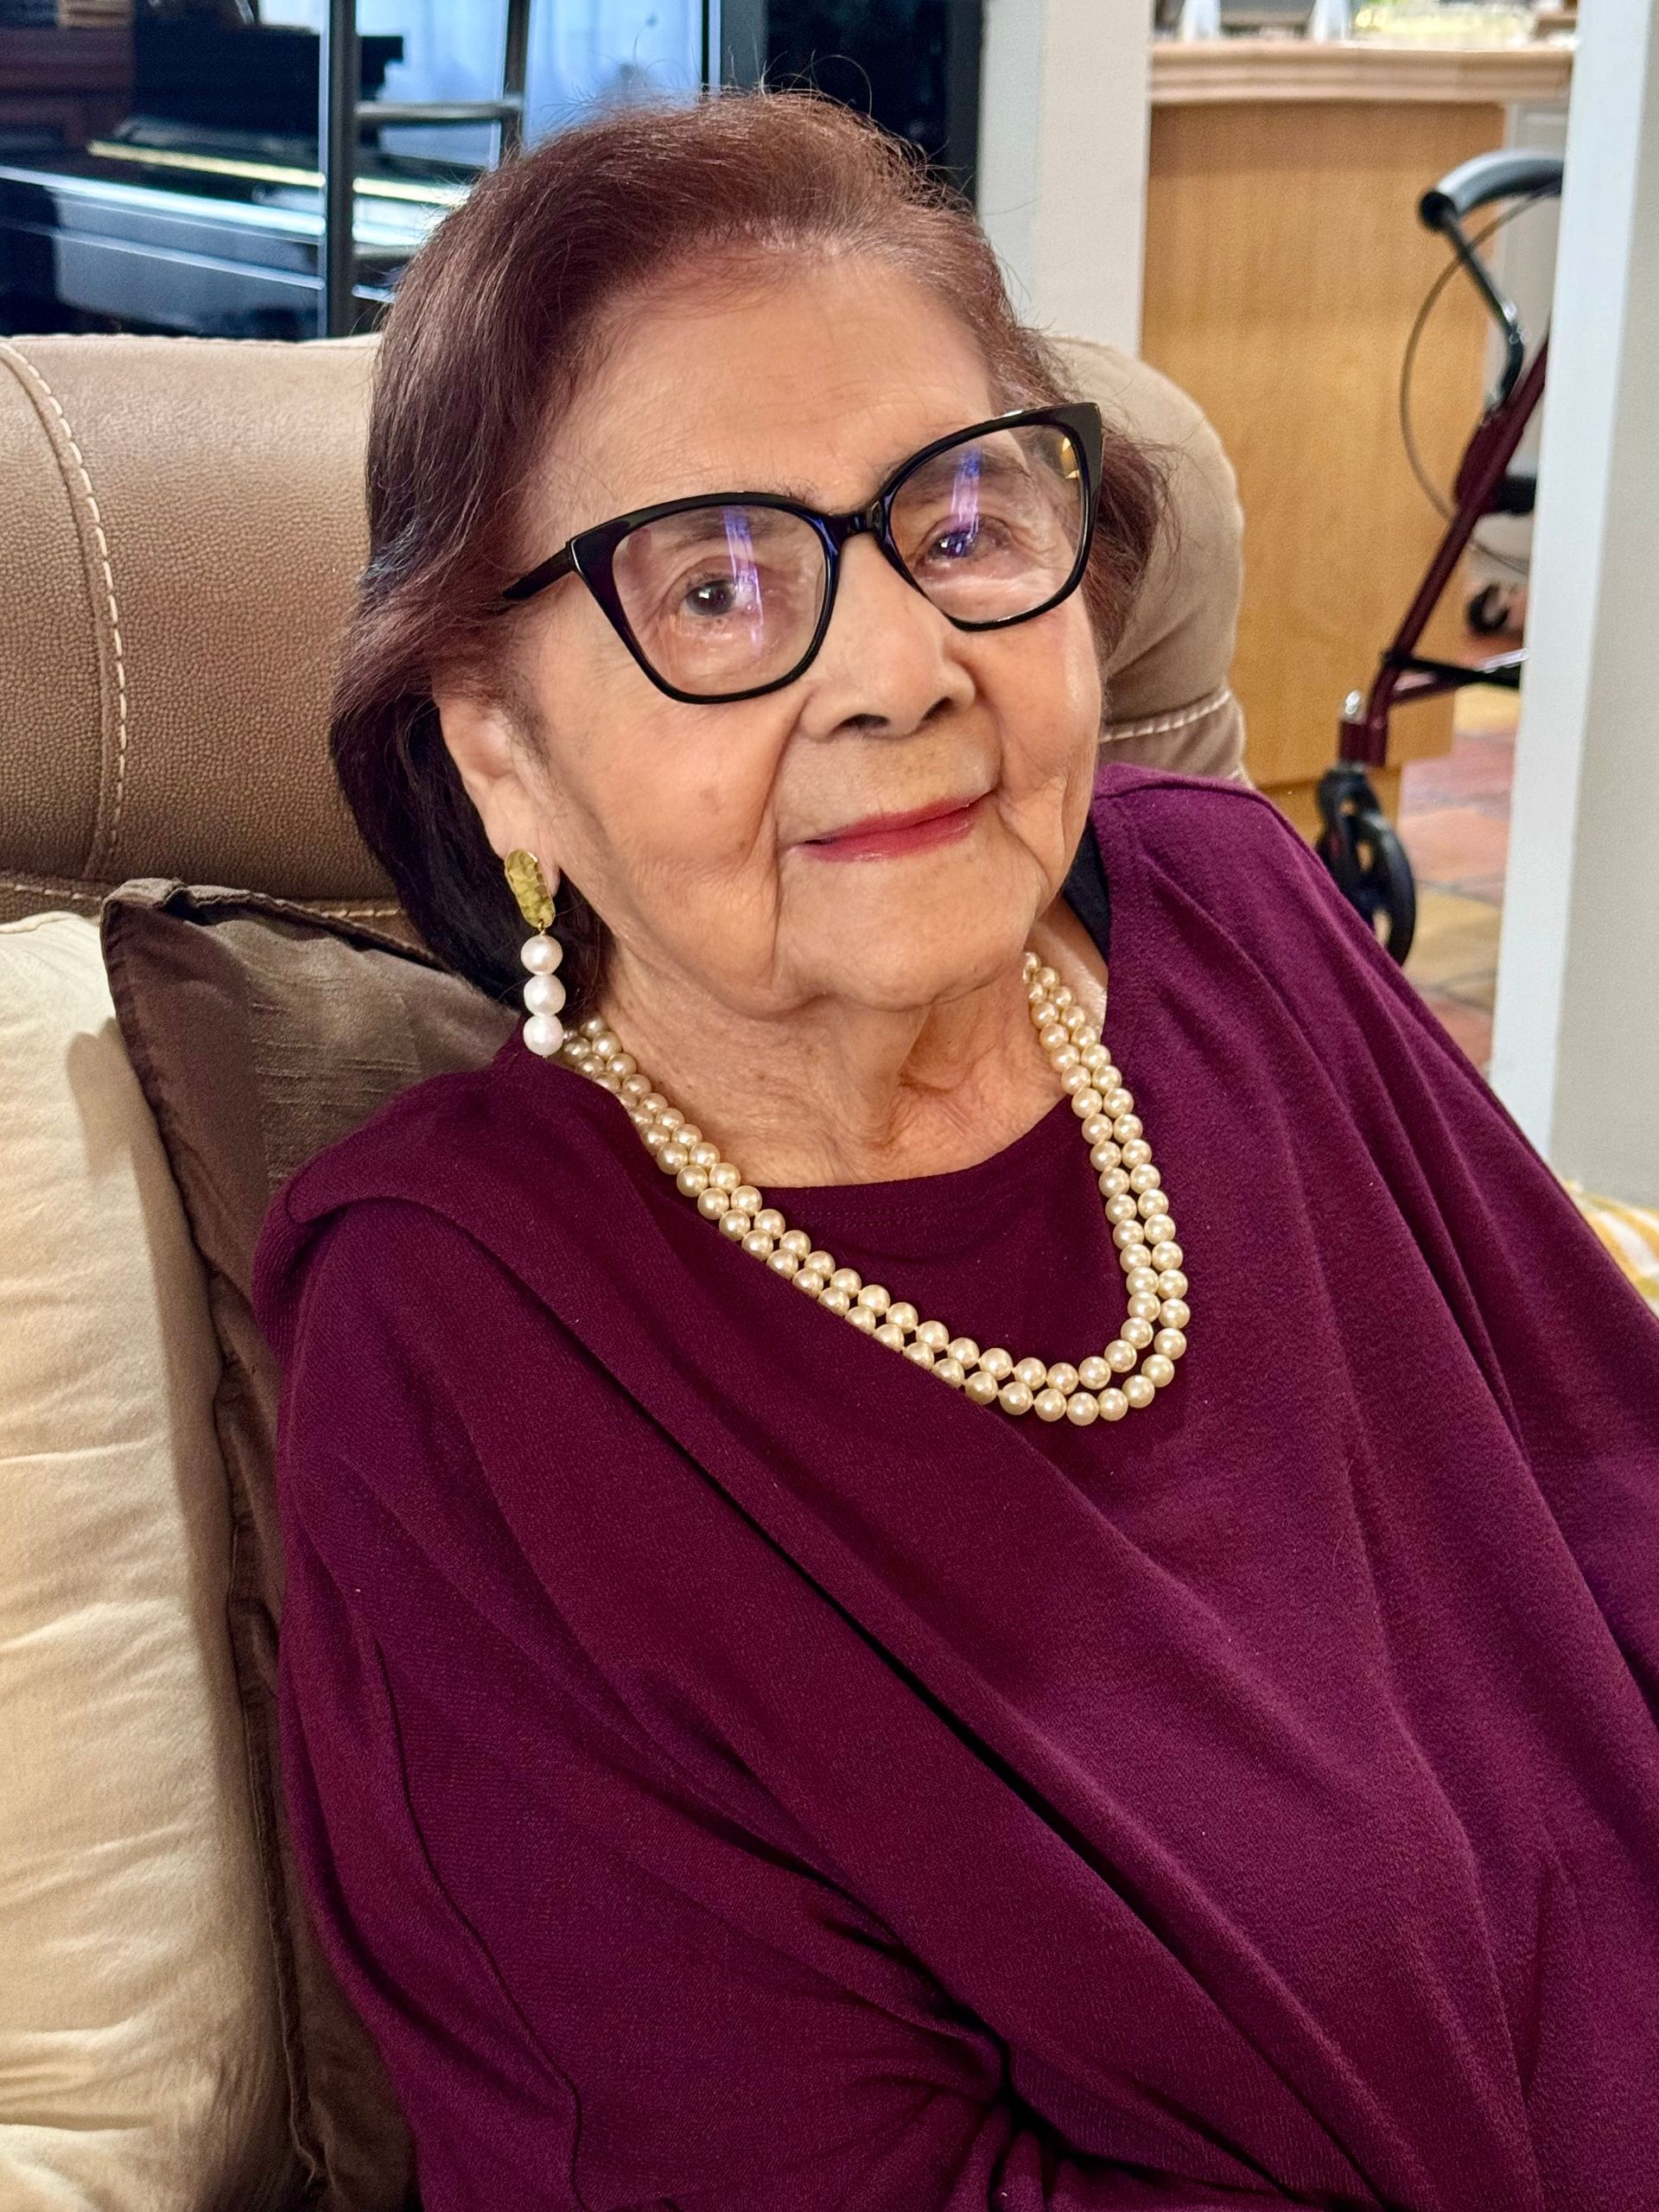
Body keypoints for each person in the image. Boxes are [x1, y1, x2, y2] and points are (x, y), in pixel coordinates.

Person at [251, 89, 1659, 2211]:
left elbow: (1620, 1497)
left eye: (965, 520)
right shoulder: (465, 1334)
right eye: (716, 583)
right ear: (501, 749)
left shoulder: (1235, 913)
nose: (901, 670)